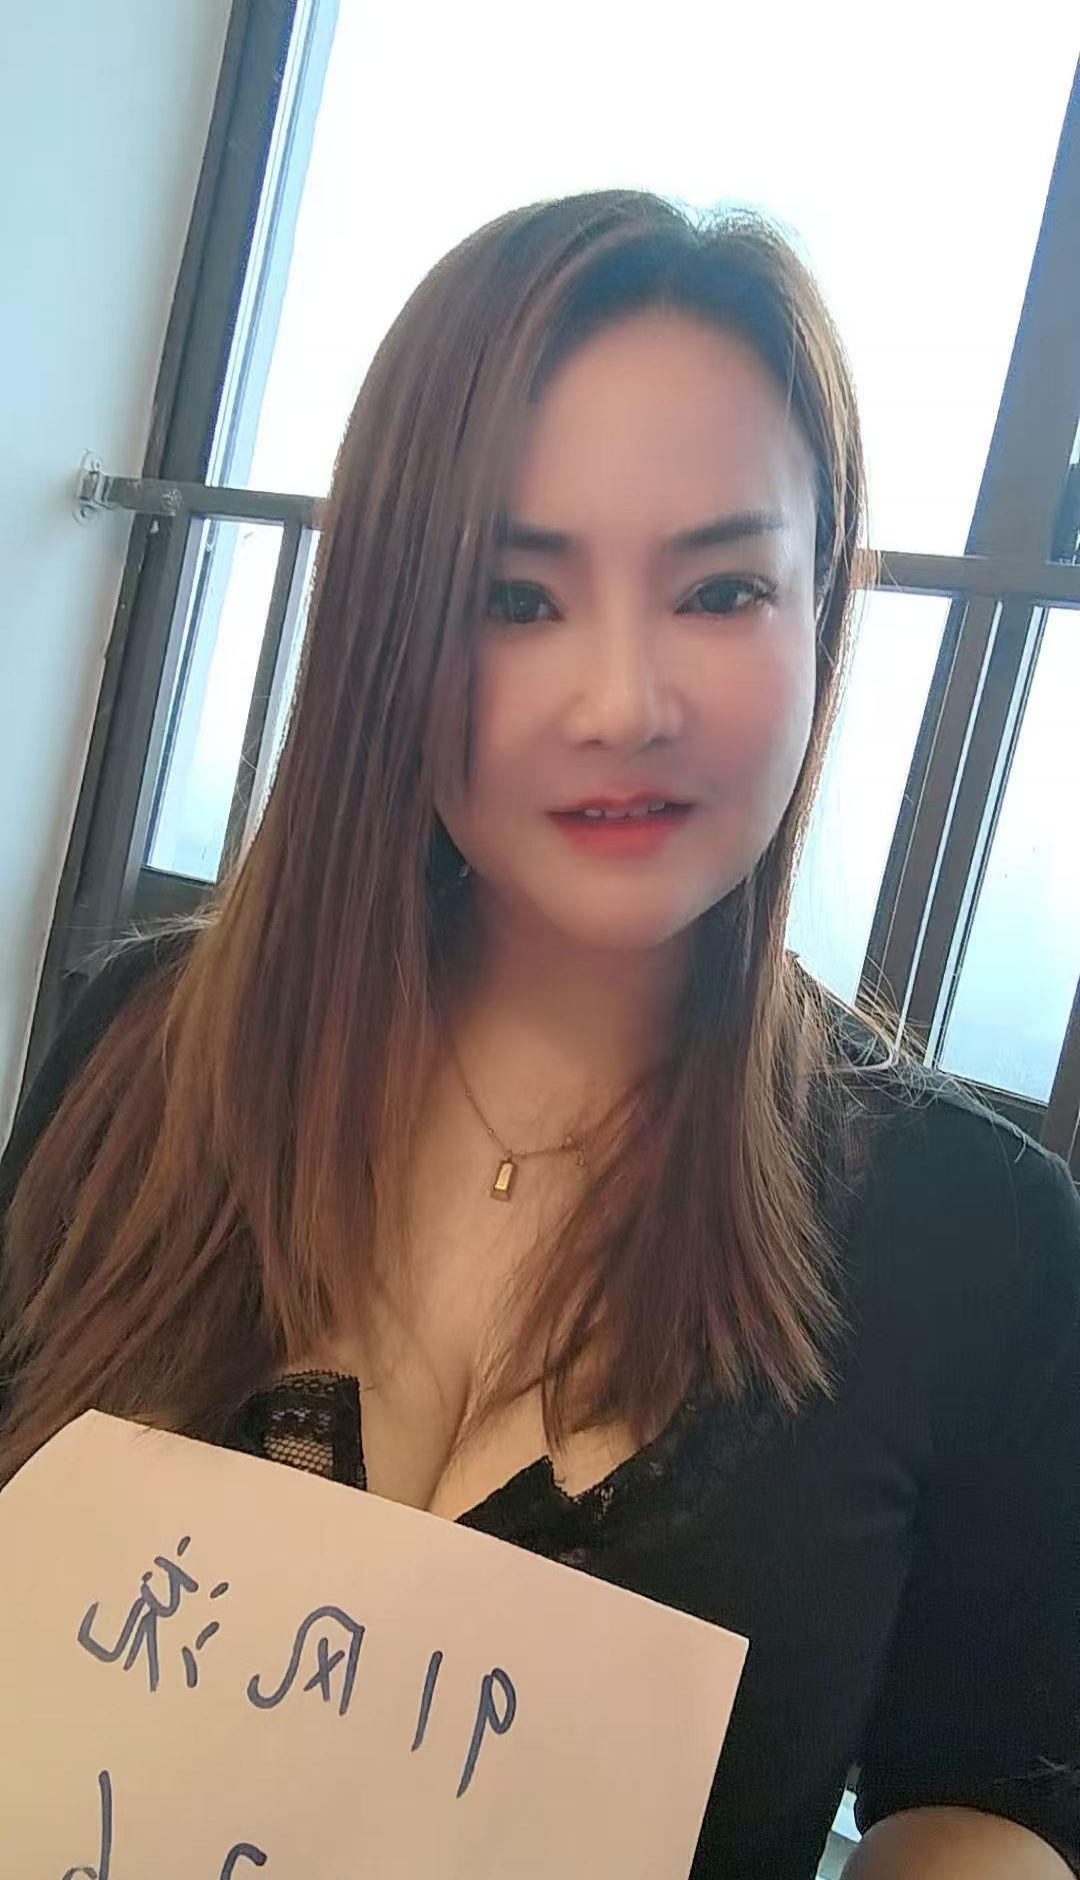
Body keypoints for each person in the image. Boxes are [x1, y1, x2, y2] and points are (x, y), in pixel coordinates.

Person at [1, 189, 1077, 1880]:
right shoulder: (144, 1054)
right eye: (516, 598)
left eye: (721, 589)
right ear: (386, 630)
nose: (622, 702)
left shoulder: (978, 1238)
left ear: (824, 607)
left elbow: (991, 1784)